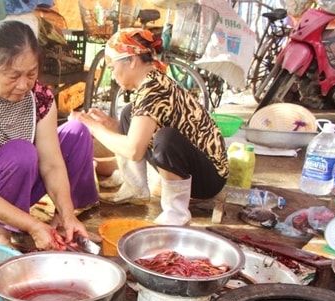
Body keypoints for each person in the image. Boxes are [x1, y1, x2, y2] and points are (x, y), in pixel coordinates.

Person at [0, 19, 100, 251]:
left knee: (77, 132)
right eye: (13, 76)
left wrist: (67, 215)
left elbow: (52, 164)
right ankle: (2, 232)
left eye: (31, 74)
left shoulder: (40, 97)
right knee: (22, 152)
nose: (24, 84)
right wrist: (34, 226)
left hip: (19, 185)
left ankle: (64, 223)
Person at [70, 28, 228, 225]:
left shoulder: (153, 90)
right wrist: (107, 124)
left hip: (209, 178)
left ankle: (176, 212)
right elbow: (140, 131)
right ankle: (135, 188)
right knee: (129, 113)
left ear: (132, 61)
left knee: (166, 139)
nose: (113, 75)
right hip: (196, 165)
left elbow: (134, 150)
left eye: (112, 67)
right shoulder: (150, 84)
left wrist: (92, 126)